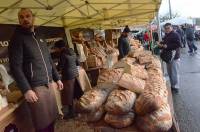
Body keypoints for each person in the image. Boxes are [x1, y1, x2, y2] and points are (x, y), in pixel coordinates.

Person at [8, 8, 63, 132]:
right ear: (19, 20)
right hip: (35, 87)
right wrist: (26, 89)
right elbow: (15, 66)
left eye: (27, 16)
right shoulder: (17, 38)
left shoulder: (40, 37)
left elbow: (49, 59)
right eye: (21, 17)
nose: (25, 19)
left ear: (33, 17)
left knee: (52, 118)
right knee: (42, 123)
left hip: (48, 83)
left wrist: (57, 78)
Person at [54, 40, 83, 120]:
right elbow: (77, 63)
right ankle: (82, 108)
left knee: (69, 96)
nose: (56, 50)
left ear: (59, 47)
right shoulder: (72, 51)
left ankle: (72, 113)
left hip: (68, 77)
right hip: (75, 75)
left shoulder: (62, 54)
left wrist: (56, 68)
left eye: (56, 48)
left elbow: (60, 67)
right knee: (76, 93)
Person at [158, 23, 181, 93]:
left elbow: (178, 44)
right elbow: (165, 42)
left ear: (171, 28)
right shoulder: (167, 35)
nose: (167, 29)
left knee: (174, 73)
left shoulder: (175, 34)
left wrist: (167, 46)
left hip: (174, 57)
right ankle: (172, 86)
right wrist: (160, 44)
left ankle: (176, 88)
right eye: (166, 28)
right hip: (168, 57)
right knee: (170, 72)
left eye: (168, 28)